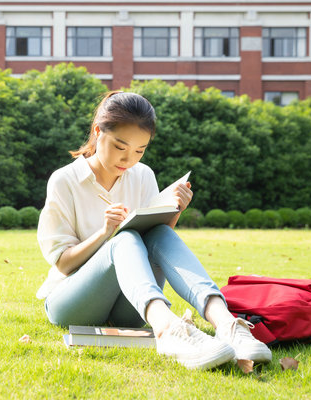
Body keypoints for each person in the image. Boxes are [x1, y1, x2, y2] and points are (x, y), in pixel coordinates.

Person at [36, 91, 271, 370]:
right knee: (123, 239)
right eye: (120, 146)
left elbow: (155, 242)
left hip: (131, 305)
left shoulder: (143, 175)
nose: (128, 159)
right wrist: (104, 233)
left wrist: (175, 210)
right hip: (71, 302)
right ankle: (167, 330)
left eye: (139, 150)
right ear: (98, 131)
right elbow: (62, 263)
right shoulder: (66, 180)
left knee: (160, 233)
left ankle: (227, 324)